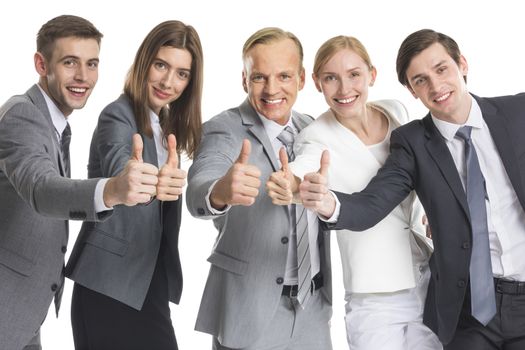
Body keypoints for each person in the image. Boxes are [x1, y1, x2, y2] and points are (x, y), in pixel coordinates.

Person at [299, 29, 525, 350]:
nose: (435, 86)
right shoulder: (413, 142)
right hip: (470, 313)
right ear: (411, 90)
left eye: (441, 69)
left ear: (462, 64)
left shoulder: (518, 113)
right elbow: (373, 203)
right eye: (420, 80)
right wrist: (328, 203)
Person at [266, 35, 441, 349]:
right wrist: (292, 185)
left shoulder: (396, 112)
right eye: (331, 78)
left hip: (430, 278)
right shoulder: (316, 136)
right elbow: (303, 172)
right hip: (375, 298)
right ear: (318, 83)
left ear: (372, 75)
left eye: (354, 75)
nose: (345, 89)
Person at [0, 15, 159, 350]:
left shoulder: (55, 125)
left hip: (24, 316)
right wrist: (112, 189)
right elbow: (42, 189)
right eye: (70, 62)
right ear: (42, 64)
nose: (83, 76)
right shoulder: (22, 116)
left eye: (92, 64)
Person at [186, 27, 332, 350]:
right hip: (250, 312)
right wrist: (220, 191)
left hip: (314, 312)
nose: (271, 89)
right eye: (259, 77)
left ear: (301, 79)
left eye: (283, 76)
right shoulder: (223, 128)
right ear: (244, 79)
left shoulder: (315, 129)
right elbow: (199, 187)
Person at [65, 20, 203, 350]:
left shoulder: (163, 124)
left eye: (182, 73)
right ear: (144, 62)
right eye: (161, 65)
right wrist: (146, 182)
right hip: (109, 286)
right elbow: (121, 170)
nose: (169, 82)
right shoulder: (118, 114)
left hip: (144, 283)